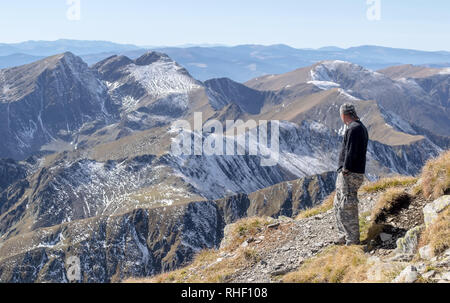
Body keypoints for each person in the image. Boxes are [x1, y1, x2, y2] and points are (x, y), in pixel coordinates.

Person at [334, 103, 369, 246]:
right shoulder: (358, 127)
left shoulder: (354, 129)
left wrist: (346, 168)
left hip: (350, 173)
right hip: (351, 172)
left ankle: (352, 239)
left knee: (347, 205)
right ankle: (344, 234)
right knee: (339, 203)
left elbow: (351, 151)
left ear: (343, 115)